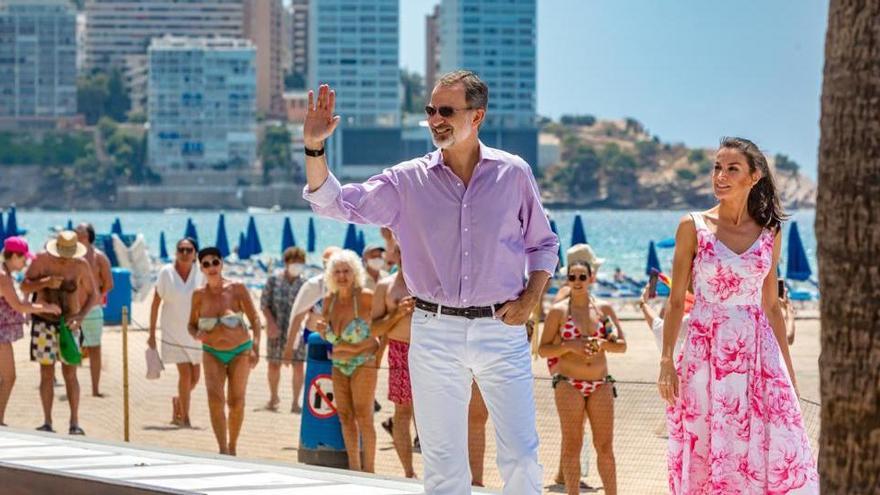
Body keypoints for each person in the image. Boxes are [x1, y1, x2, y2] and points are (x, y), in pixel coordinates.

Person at [302, 70, 558, 493]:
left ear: (477, 117)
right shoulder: (406, 180)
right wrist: (315, 147)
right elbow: (335, 203)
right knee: (441, 460)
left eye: (446, 110)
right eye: (430, 110)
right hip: (434, 331)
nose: (435, 119)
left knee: (520, 453)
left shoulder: (513, 174)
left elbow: (543, 243)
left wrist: (532, 297)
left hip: (502, 327)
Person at [658, 137, 818, 493]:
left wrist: (788, 373)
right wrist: (667, 360)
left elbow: (772, 306)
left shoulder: (770, 231)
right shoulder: (693, 227)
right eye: (717, 167)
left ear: (754, 176)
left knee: (776, 444)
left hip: (759, 353)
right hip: (704, 351)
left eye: (732, 168)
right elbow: (674, 302)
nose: (721, 176)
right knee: (707, 447)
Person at [539, 260, 626, 495]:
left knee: (605, 446)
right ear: (568, 280)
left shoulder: (604, 310)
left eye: (582, 277)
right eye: (572, 277)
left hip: (600, 383)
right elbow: (543, 349)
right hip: (568, 382)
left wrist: (602, 344)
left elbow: (621, 346)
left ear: (591, 279)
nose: (577, 282)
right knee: (572, 444)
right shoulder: (558, 312)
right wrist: (570, 346)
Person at [22, 231, 98, 435]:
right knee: (46, 374)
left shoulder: (81, 265)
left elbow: (94, 295)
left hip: (70, 325)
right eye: (61, 254)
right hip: (44, 323)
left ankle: (74, 422)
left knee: (70, 374)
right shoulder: (41, 261)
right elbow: (25, 285)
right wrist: (45, 283)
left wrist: (81, 316)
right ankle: (47, 421)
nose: (65, 259)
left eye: (68, 255)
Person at [188, 247, 261, 455]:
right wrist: (196, 334)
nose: (211, 267)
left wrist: (256, 345)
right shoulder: (198, 295)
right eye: (206, 264)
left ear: (222, 264)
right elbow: (191, 324)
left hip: (240, 350)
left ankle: (233, 446)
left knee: (236, 402)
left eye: (215, 262)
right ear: (200, 268)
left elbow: (254, 319)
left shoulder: (237, 288)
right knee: (214, 400)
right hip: (212, 351)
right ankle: (222, 448)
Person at [314, 249, 379, 472]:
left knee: (364, 416)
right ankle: (354, 467)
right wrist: (322, 331)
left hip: (364, 361)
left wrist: (378, 354)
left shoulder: (367, 296)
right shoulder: (328, 301)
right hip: (339, 364)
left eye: (347, 271)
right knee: (345, 416)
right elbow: (327, 333)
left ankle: (369, 470)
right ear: (330, 274)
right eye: (338, 271)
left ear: (356, 272)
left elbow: (382, 326)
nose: (342, 276)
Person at [0, 237, 61, 426]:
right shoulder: (3, 276)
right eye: (23, 258)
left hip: (2, 333)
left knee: (7, 377)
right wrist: (46, 308)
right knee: (9, 377)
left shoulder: (6, 274)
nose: (26, 262)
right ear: (14, 256)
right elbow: (19, 306)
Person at [369, 243, 417, 478]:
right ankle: (409, 472)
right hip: (399, 350)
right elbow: (375, 328)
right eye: (401, 250)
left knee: (435, 414)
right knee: (402, 413)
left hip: (432, 350)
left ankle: (439, 473)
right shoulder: (385, 287)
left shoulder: (434, 281)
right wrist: (397, 313)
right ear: (395, 254)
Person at [148, 237, 203, 427]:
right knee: (185, 374)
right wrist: (151, 334)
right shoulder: (166, 273)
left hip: (196, 332)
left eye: (189, 250)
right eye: (181, 249)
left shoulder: (201, 272)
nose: (185, 253)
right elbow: (155, 303)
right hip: (173, 331)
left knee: (195, 377)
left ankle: (179, 401)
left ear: (195, 253)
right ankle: (184, 418)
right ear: (176, 252)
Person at [282, 245, 340, 413]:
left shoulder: (347, 284)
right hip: (315, 339)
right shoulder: (314, 285)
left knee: (336, 378)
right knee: (316, 376)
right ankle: (306, 407)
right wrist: (289, 348)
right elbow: (297, 316)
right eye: (327, 262)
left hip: (338, 340)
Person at [260, 246, 307, 411]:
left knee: (299, 365)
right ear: (286, 262)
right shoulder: (274, 280)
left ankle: (296, 402)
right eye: (294, 261)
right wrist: (270, 323)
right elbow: (264, 304)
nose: (297, 265)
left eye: (300, 262)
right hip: (276, 327)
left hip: (297, 331)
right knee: (274, 364)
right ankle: (273, 397)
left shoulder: (304, 283)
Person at [74, 223, 113, 398]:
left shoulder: (99, 257)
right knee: (72, 347)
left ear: (89, 236)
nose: (77, 236)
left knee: (95, 348)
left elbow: (109, 283)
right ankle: (72, 385)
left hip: (93, 309)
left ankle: (95, 388)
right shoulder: (71, 256)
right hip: (73, 308)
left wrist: (97, 296)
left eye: (80, 233)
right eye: (75, 233)